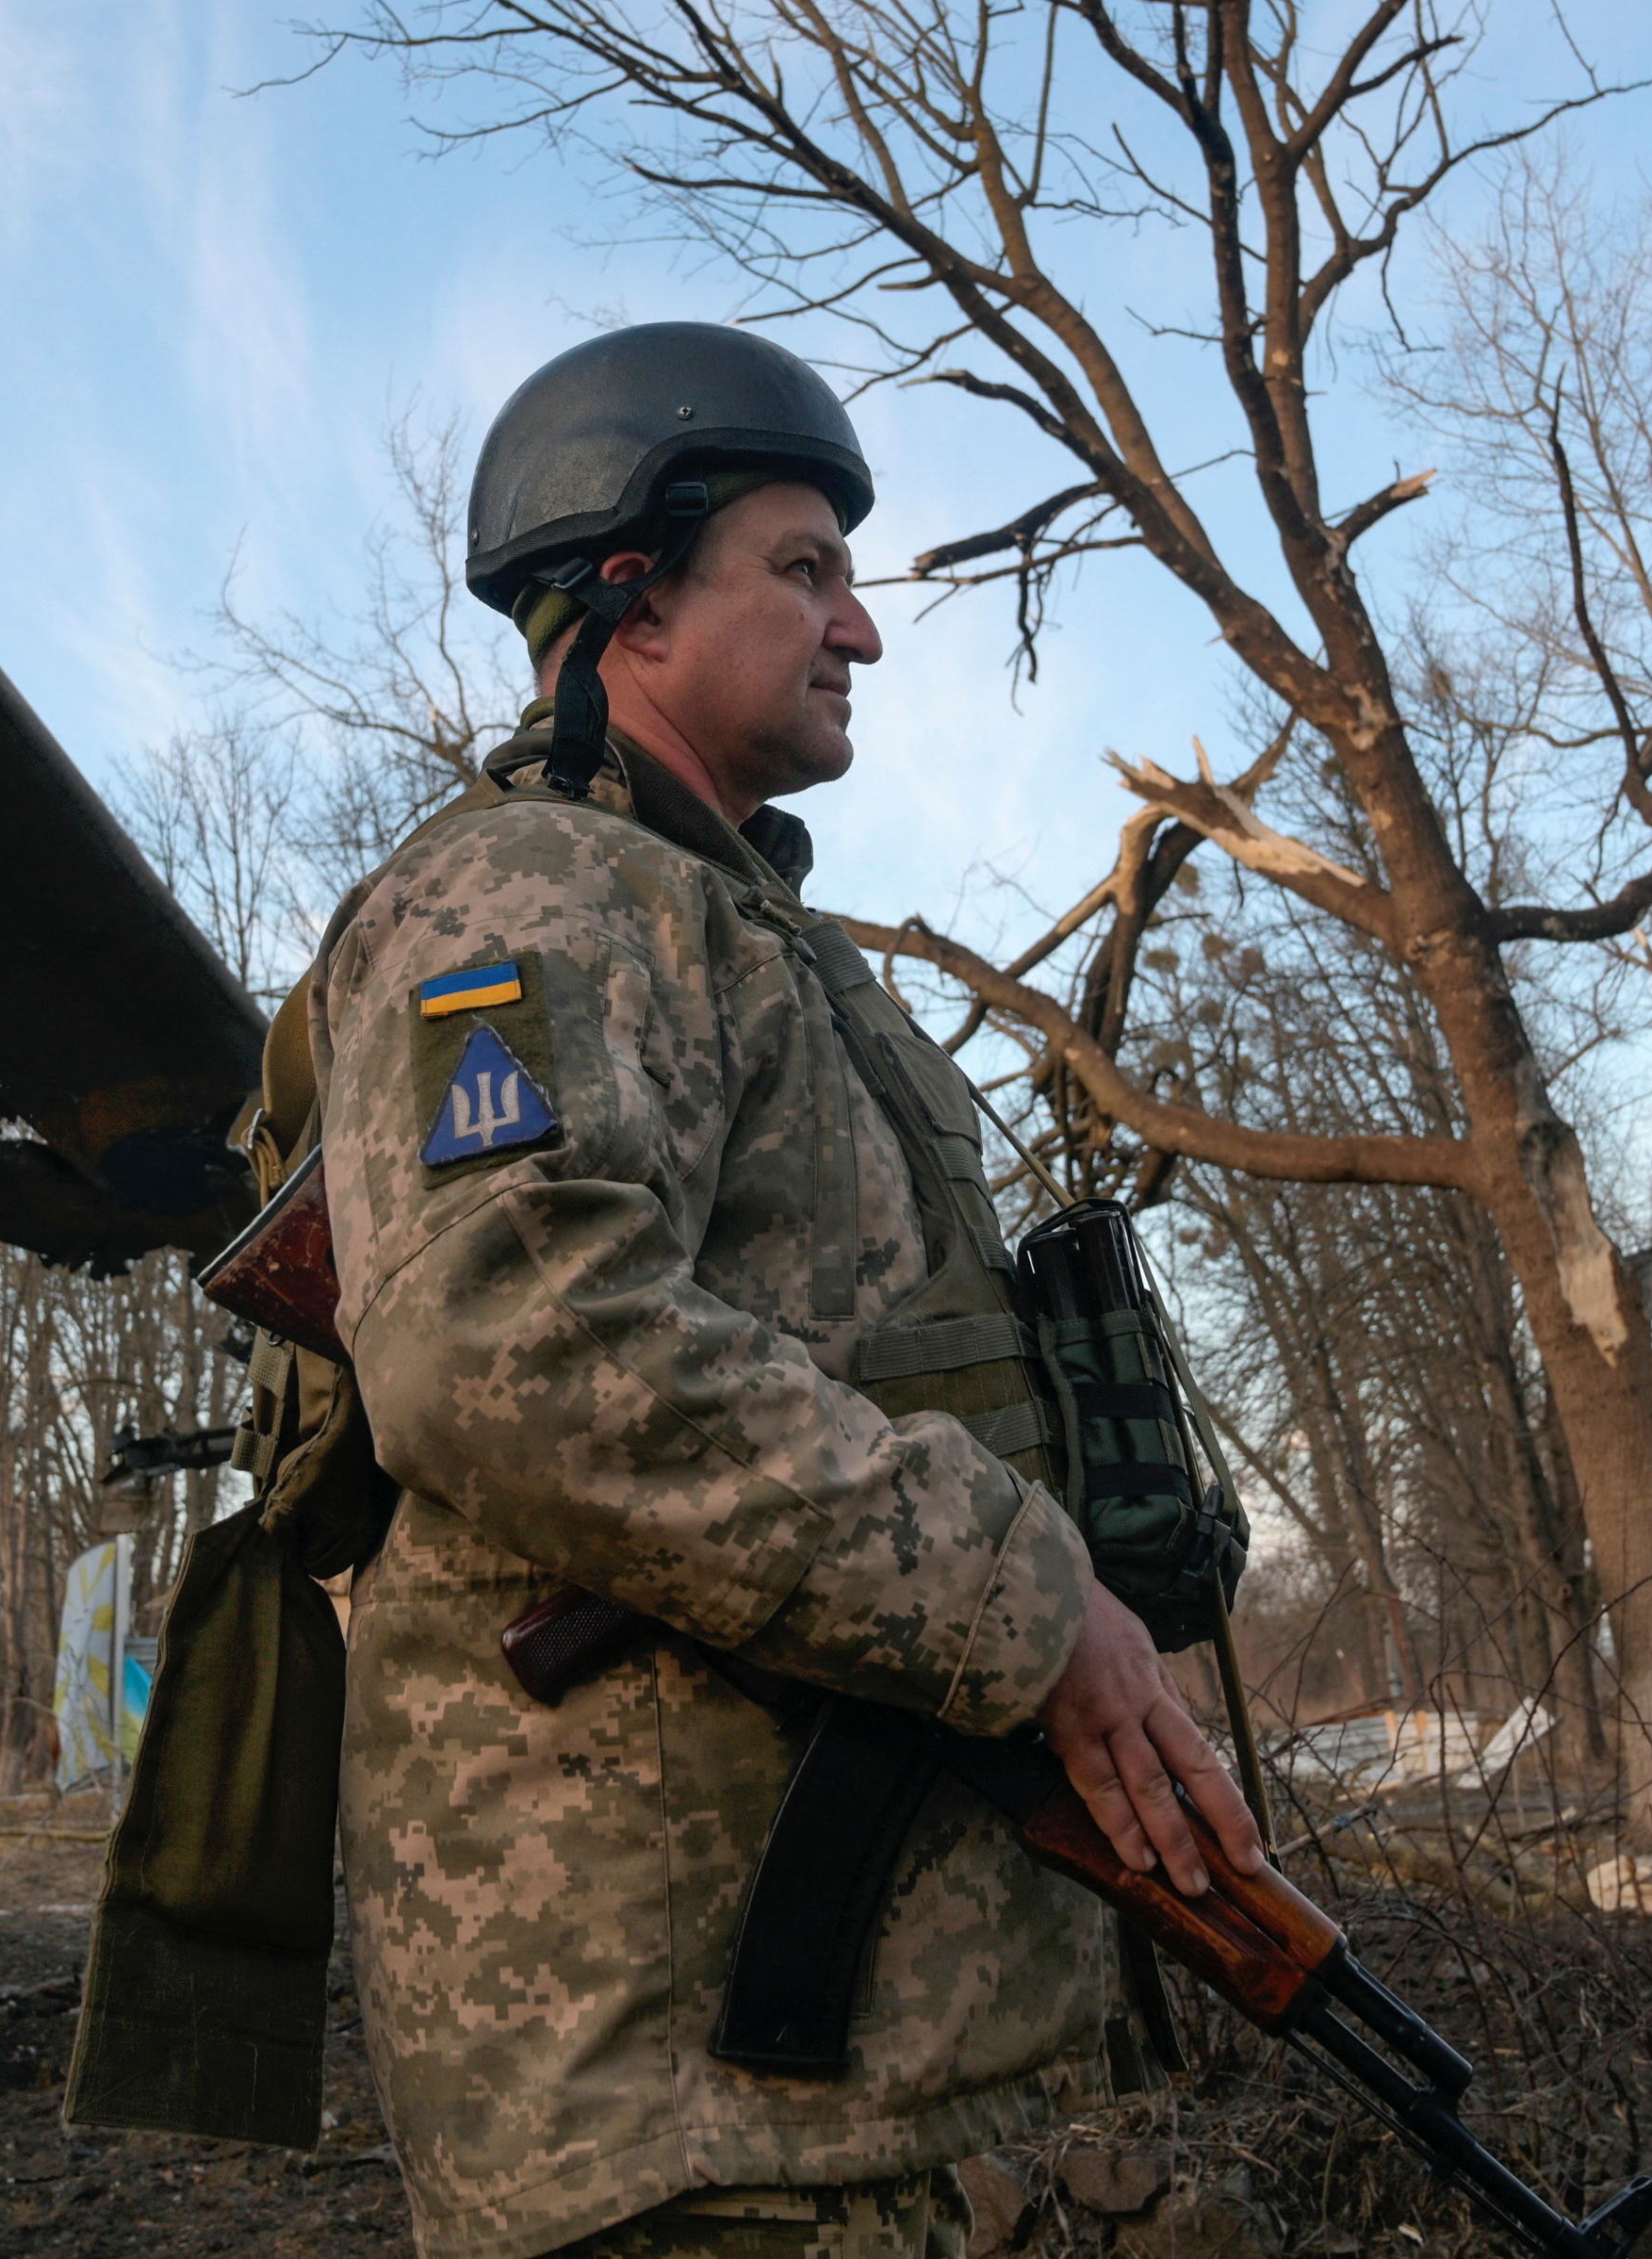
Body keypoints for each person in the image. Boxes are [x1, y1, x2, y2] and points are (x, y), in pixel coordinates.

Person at [310, 323, 1266, 2259]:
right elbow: (517, 1342)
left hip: (866, 2092)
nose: (864, 627)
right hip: (680, 2110)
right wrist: (1028, 1599)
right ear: (632, 595)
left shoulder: (742, 928)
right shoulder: (528, 894)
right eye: (805, 566)